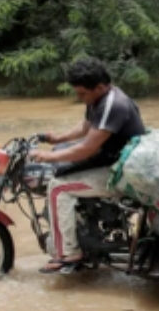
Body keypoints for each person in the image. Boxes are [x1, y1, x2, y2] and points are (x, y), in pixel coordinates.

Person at [30, 57, 147, 273]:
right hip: (112, 160)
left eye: (82, 93)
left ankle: (68, 253)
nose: (80, 97)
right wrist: (57, 139)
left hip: (121, 172)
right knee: (61, 164)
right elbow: (85, 127)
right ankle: (79, 231)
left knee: (57, 188)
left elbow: (87, 148)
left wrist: (46, 156)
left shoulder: (113, 105)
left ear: (100, 87)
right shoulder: (99, 99)